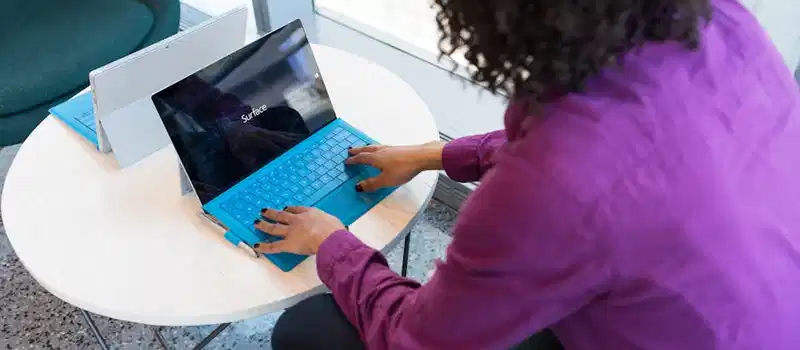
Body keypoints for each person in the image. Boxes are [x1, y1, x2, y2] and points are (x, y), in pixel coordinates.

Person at [254, 0, 800, 349]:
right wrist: (433, 154)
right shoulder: (723, 21)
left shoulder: (556, 185)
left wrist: (334, 245)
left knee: (309, 332)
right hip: (750, 314)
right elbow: (607, 155)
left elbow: (416, 342)